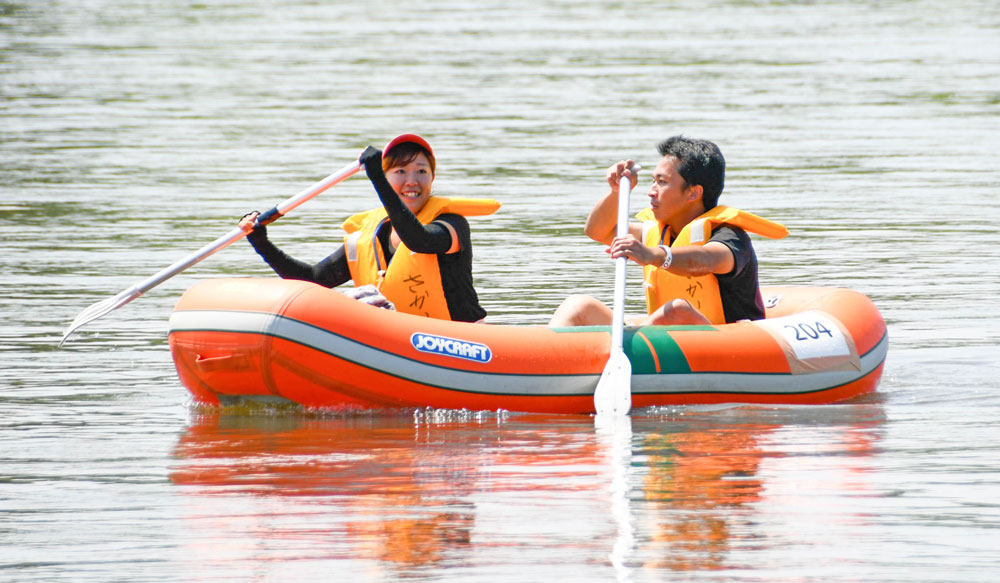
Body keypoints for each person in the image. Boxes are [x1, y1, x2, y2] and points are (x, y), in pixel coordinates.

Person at [239, 134, 500, 322]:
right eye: (400, 171)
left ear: (432, 177)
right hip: (403, 343)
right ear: (387, 177)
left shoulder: (451, 225)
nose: (412, 181)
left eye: (421, 171)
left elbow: (418, 241)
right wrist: (261, 242)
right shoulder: (367, 236)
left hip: (463, 343)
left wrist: (376, 177)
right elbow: (313, 280)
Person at [548, 135, 788, 327]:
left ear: (693, 192)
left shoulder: (729, 236)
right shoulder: (660, 231)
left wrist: (653, 255)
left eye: (661, 182)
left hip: (730, 346)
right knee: (578, 305)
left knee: (678, 311)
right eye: (653, 181)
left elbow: (706, 259)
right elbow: (598, 231)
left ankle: (634, 352)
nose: (651, 190)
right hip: (666, 339)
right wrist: (616, 193)